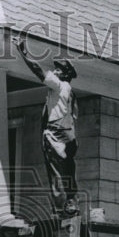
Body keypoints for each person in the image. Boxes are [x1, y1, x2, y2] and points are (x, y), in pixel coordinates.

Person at [14, 36, 80, 218]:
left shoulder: (59, 86)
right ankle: (70, 204)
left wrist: (23, 51)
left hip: (56, 133)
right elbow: (73, 117)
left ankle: (61, 209)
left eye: (58, 69)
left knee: (55, 172)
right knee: (67, 170)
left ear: (64, 74)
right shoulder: (70, 93)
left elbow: (38, 70)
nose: (54, 71)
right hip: (67, 134)